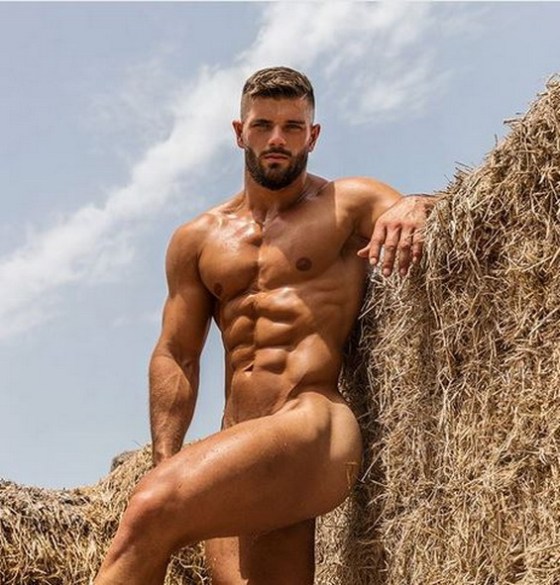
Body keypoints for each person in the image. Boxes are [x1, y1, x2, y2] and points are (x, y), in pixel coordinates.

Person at [93, 66, 434, 585]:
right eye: (263, 125)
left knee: (152, 508)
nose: (277, 139)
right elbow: (176, 353)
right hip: (240, 439)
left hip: (311, 423)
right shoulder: (197, 239)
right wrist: (165, 458)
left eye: (293, 127)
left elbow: (441, 212)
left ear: (312, 136)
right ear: (240, 132)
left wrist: (416, 203)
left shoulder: (348, 203)